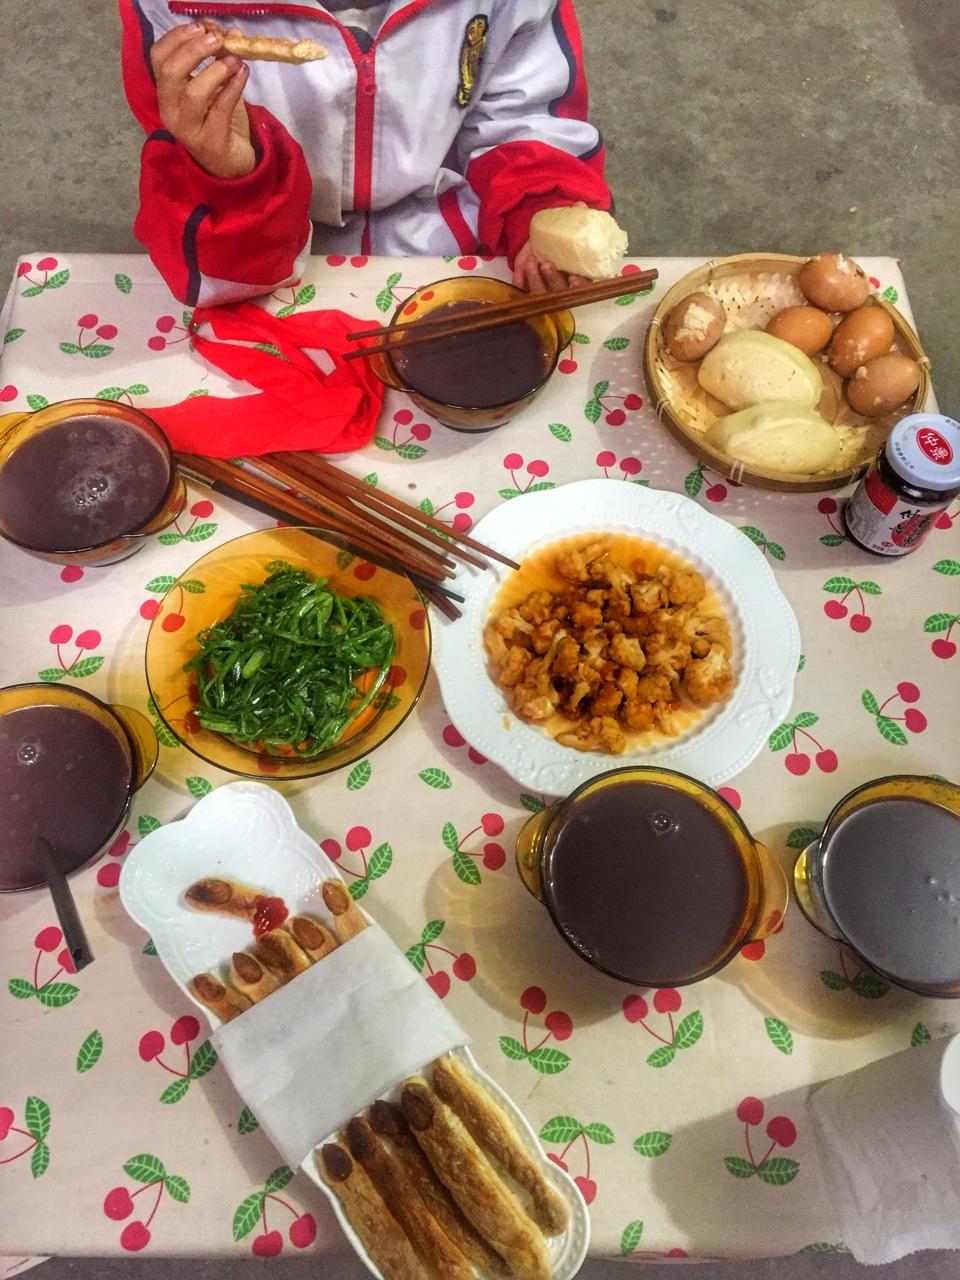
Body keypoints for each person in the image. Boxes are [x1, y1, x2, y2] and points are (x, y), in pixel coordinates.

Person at [119, 0, 613, 307]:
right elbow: (192, 217)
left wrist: (537, 206)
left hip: (457, 248)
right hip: (272, 266)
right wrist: (229, 179)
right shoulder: (174, 11)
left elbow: (526, 120)